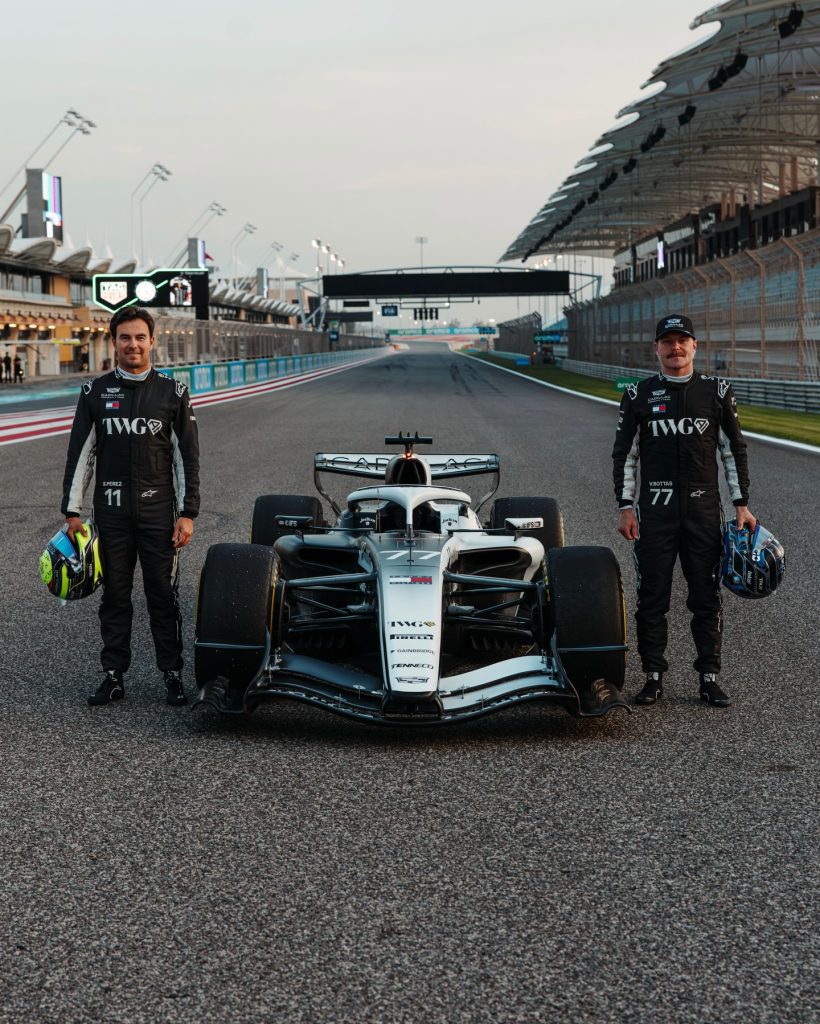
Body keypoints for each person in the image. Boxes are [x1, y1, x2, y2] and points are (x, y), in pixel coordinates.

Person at [612, 314, 755, 708]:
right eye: (667, 342)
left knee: (706, 599)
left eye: (682, 341)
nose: (675, 348)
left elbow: (733, 451)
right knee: (651, 600)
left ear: (695, 346)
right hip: (654, 516)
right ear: (656, 348)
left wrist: (741, 505)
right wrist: (626, 507)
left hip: (704, 514)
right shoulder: (638, 395)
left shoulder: (718, 391)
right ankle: (653, 677)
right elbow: (625, 455)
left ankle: (709, 677)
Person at [60, 307, 200, 707]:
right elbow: (81, 455)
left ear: (152, 341)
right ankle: (113, 675)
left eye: (140, 337)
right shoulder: (94, 393)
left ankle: (172, 675)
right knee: (114, 598)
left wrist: (188, 513)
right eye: (125, 337)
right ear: (114, 342)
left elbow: (187, 459)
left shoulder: (174, 393)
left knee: (162, 597)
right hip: (111, 516)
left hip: (159, 517)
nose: (133, 344)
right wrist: (72, 512)